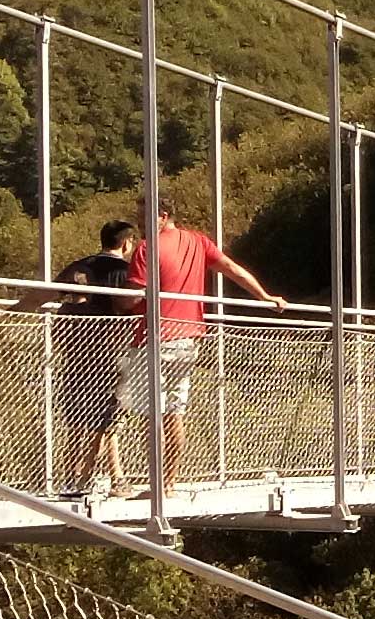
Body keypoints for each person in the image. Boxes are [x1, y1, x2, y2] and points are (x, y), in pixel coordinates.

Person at [121, 207, 275, 500]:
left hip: (153, 339)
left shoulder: (146, 248)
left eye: (145, 218)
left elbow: (131, 297)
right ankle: (168, 483)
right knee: (174, 413)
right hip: (188, 339)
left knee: (152, 416)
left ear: (162, 215)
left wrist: (114, 301)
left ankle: (156, 486)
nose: (141, 225)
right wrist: (264, 297)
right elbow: (233, 270)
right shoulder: (199, 242)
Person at [56, 219, 143, 496]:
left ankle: (72, 478)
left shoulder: (79, 268)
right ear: (127, 243)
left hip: (77, 354)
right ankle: (110, 478)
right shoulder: (127, 273)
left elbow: (53, 299)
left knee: (77, 422)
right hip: (111, 354)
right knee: (109, 419)